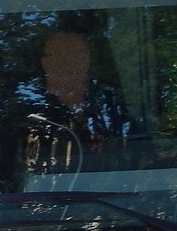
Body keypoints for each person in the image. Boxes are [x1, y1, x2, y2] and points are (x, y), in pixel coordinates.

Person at [26, 30, 128, 175]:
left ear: (86, 60)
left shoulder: (110, 104)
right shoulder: (30, 111)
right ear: (46, 63)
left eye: (77, 54)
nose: (71, 62)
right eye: (62, 55)